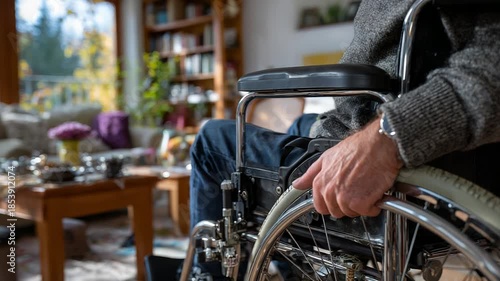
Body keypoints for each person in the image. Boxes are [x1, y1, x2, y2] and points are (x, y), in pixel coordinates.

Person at [189, 0, 500, 277]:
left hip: (388, 145)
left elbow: (490, 69)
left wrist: (387, 140)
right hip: (371, 128)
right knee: (300, 123)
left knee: (211, 142)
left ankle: (203, 273)